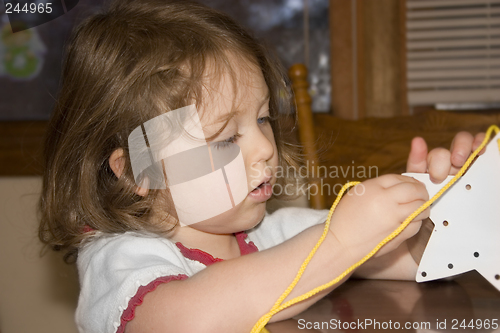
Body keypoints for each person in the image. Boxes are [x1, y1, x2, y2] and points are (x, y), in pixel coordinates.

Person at [38, 1, 485, 332]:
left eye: (263, 118)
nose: (264, 149)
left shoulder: (276, 233)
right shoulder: (121, 257)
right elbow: (188, 320)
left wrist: (433, 214)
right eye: (227, 138)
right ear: (141, 172)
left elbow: (406, 264)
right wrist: (339, 241)